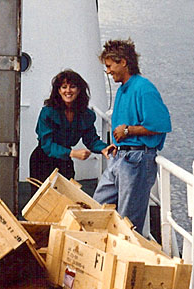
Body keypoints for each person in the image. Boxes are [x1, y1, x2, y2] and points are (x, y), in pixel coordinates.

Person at [93, 39, 172, 234]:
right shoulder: (123, 90)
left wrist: (128, 131)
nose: (108, 71)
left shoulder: (143, 88)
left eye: (110, 66)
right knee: (97, 204)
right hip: (120, 157)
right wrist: (115, 143)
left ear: (123, 62)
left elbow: (161, 125)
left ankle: (124, 257)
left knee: (128, 219)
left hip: (137, 160)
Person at [29, 69, 115, 196]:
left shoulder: (86, 115)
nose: (68, 91)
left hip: (65, 161)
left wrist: (104, 148)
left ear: (79, 90)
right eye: (64, 87)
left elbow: (91, 139)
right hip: (42, 161)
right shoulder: (47, 112)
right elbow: (47, 145)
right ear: (58, 91)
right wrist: (73, 153)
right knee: (43, 202)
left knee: (66, 198)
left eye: (72, 87)